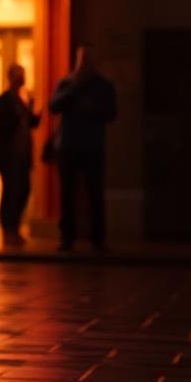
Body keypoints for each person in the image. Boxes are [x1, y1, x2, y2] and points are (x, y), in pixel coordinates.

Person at [49, 45, 117, 252]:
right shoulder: (67, 83)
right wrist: (75, 87)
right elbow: (53, 106)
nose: (84, 63)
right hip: (69, 146)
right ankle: (67, 237)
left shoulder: (103, 86)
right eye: (81, 59)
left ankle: (98, 238)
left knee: (95, 193)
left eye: (87, 59)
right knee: (67, 194)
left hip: (93, 146)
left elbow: (111, 114)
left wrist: (93, 109)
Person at [0, 64, 41, 245]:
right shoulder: (4, 100)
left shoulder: (21, 99)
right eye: (19, 75)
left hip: (22, 154)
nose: (22, 78)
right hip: (9, 155)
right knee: (10, 191)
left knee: (24, 189)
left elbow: (31, 123)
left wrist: (33, 109)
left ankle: (15, 226)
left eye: (23, 74)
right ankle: (8, 229)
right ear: (10, 77)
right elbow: (4, 126)